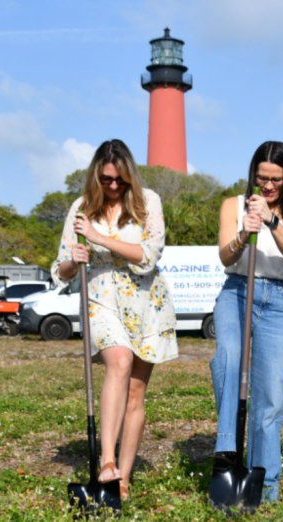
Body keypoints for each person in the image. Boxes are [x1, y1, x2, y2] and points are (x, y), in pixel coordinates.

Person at [52, 139, 178, 498]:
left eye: (119, 181)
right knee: (119, 361)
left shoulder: (147, 201)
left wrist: (99, 238)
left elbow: (148, 256)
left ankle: (122, 479)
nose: (112, 187)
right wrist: (73, 258)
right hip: (100, 298)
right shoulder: (81, 208)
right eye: (106, 179)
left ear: (129, 178)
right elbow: (60, 269)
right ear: (96, 174)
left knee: (136, 393)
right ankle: (107, 462)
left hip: (145, 303)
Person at [210, 140, 283, 502]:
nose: (268, 186)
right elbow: (226, 258)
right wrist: (244, 232)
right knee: (227, 356)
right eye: (261, 178)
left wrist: (271, 222)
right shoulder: (232, 205)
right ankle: (227, 452)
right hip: (237, 291)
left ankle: (266, 483)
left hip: (279, 301)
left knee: (270, 393)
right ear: (252, 175)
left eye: (275, 179)